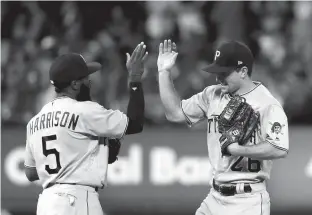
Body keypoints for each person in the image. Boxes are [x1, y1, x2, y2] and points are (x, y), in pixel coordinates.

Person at [157, 39, 289, 215]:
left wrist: (239, 150)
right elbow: (174, 113)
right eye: (216, 72)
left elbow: (280, 148)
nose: (218, 78)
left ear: (243, 71)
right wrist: (164, 71)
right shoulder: (212, 94)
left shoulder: (267, 103)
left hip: (247, 201)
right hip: (214, 197)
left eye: (224, 73)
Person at [24, 42, 148, 215]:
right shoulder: (85, 110)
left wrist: (73, 157)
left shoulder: (35, 121)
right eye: (85, 78)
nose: (89, 82)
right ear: (75, 84)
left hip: (46, 203)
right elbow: (135, 123)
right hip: (76, 200)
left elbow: (30, 172)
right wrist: (134, 78)